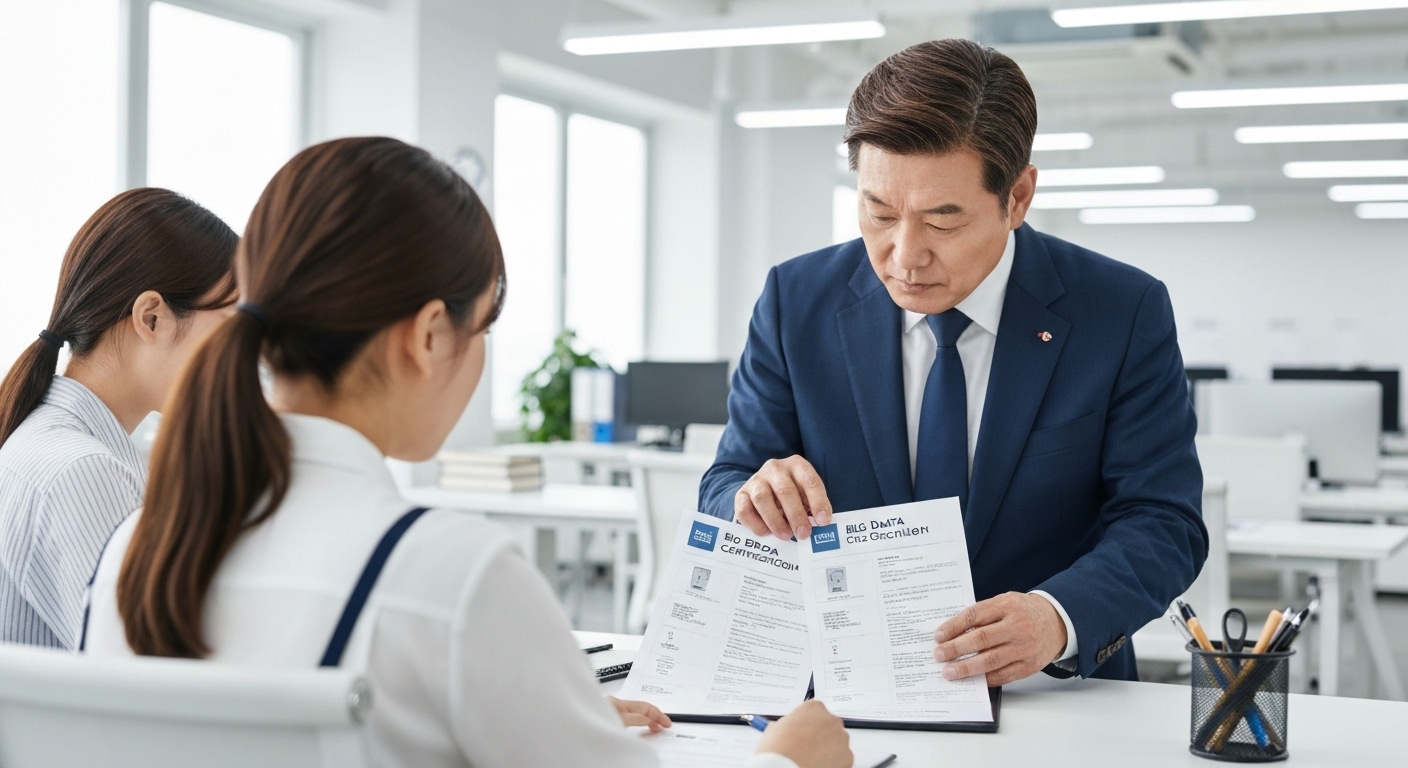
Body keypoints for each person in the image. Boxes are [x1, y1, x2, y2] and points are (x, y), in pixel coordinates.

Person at [83, 137, 850, 768]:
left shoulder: (134, 549)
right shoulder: (453, 572)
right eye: (482, 326)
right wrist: (783, 761)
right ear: (427, 336)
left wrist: (554, 719)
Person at [699, 39, 1207, 685]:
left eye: (943, 221)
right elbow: (727, 478)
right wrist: (751, 494)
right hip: (846, 681)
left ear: (1017, 197)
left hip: (1051, 690)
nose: (904, 256)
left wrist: (1058, 618)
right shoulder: (796, 300)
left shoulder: (1120, 309)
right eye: (878, 212)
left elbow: (1163, 519)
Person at [0, 188, 236, 649]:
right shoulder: (81, 472)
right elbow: (148, 678)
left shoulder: (53, 443)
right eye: (230, 329)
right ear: (151, 318)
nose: (240, 358)